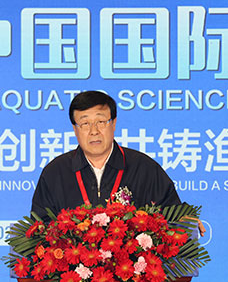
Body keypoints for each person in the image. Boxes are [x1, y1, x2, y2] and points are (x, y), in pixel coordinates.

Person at [31, 90, 205, 236]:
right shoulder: (55, 173)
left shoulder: (144, 168)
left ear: (113, 123)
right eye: (85, 123)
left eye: (100, 122)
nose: (93, 131)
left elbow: (170, 213)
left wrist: (184, 218)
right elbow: (39, 228)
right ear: (75, 129)